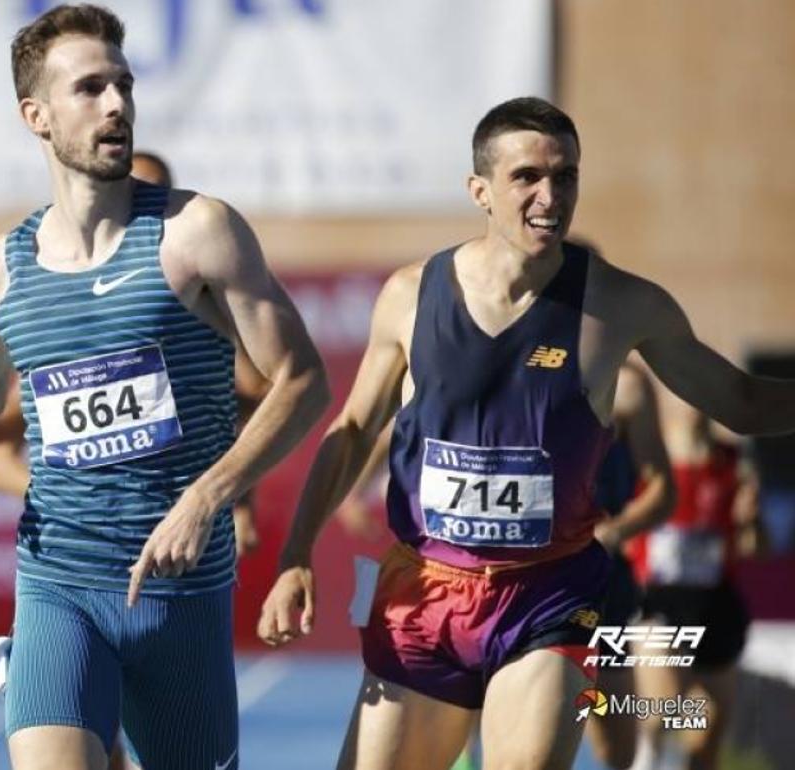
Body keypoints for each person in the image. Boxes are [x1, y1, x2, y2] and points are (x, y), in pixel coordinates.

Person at [258, 96, 795, 770]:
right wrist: (296, 553)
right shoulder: (411, 294)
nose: (550, 195)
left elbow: (741, 403)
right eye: (527, 177)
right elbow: (356, 426)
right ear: (479, 191)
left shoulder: (622, 305)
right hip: (423, 594)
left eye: (566, 175)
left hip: (550, 595)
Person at [0, 6, 329, 770]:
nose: (117, 104)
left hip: (182, 588)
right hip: (60, 580)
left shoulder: (196, 233)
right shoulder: (4, 262)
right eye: (90, 88)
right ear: (38, 116)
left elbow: (303, 382)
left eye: (123, 84)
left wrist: (207, 496)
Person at [0, 149, 269, 557]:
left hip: (182, 533)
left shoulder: (199, 297)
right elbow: (1, 453)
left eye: (151, 195)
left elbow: (263, 396)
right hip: (83, 544)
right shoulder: (60, 308)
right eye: (124, 191)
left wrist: (237, 497)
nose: (134, 206)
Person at [628, 397, 760, 770]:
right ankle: (647, 755)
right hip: (657, 601)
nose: (690, 402)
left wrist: (751, 520)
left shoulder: (733, 463)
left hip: (715, 605)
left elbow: (754, 546)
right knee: (661, 711)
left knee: (706, 741)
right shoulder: (645, 457)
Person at [584, 359, 675, 769]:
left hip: (603, 584)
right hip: (527, 579)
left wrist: (616, 531)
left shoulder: (629, 383)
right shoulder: (509, 359)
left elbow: (663, 491)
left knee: (611, 738)